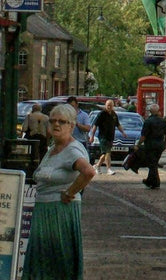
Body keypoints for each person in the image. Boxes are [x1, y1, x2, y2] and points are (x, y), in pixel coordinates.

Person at [21, 103, 96, 279]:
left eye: (62, 121)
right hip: (45, 211)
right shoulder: (54, 148)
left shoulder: (72, 149)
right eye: (53, 120)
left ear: (71, 125)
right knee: (42, 265)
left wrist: (70, 192)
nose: (56, 124)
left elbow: (89, 172)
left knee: (55, 266)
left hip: (59, 213)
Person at [139, 103, 166, 189]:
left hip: (150, 146)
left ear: (150, 112)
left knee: (152, 164)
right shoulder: (163, 121)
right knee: (154, 163)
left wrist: (137, 144)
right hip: (160, 145)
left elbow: (143, 136)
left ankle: (156, 182)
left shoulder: (148, 121)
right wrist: (165, 144)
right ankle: (149, 181)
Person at [89, 100, 124, 175]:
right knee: (108, 153)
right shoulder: (102, 114)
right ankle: (109, 169)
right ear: (105, 105)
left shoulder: (114, 114)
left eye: (111, 105)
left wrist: (123, 132)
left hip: (111, 137)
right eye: (108, 105)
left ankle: (97, 166)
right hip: (103, 137)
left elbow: (118, 124)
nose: (109, 107)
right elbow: (95, 125)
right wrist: (92, 136)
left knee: (105, 154)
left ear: (113, 106)